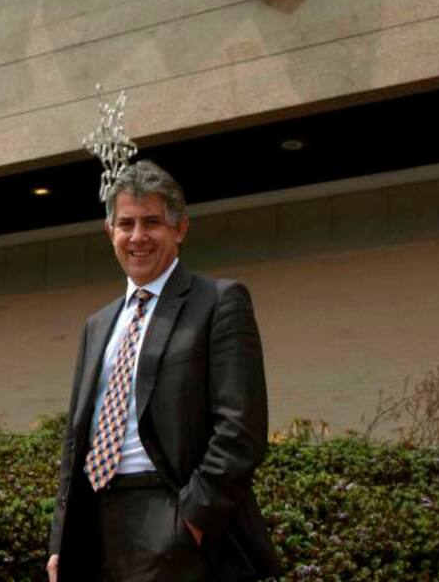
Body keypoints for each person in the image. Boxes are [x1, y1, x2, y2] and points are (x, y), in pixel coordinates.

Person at [47, 160, 279, 582]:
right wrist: (62, 542)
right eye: (126, 224)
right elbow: (75, 441)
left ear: (180, 229)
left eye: (152, 222)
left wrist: (193, 519)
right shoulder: (97, 325)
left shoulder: (218, 302)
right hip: (97, 525)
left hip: (174, 516)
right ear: (109, 232)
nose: (137, 237)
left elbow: (241, 428)